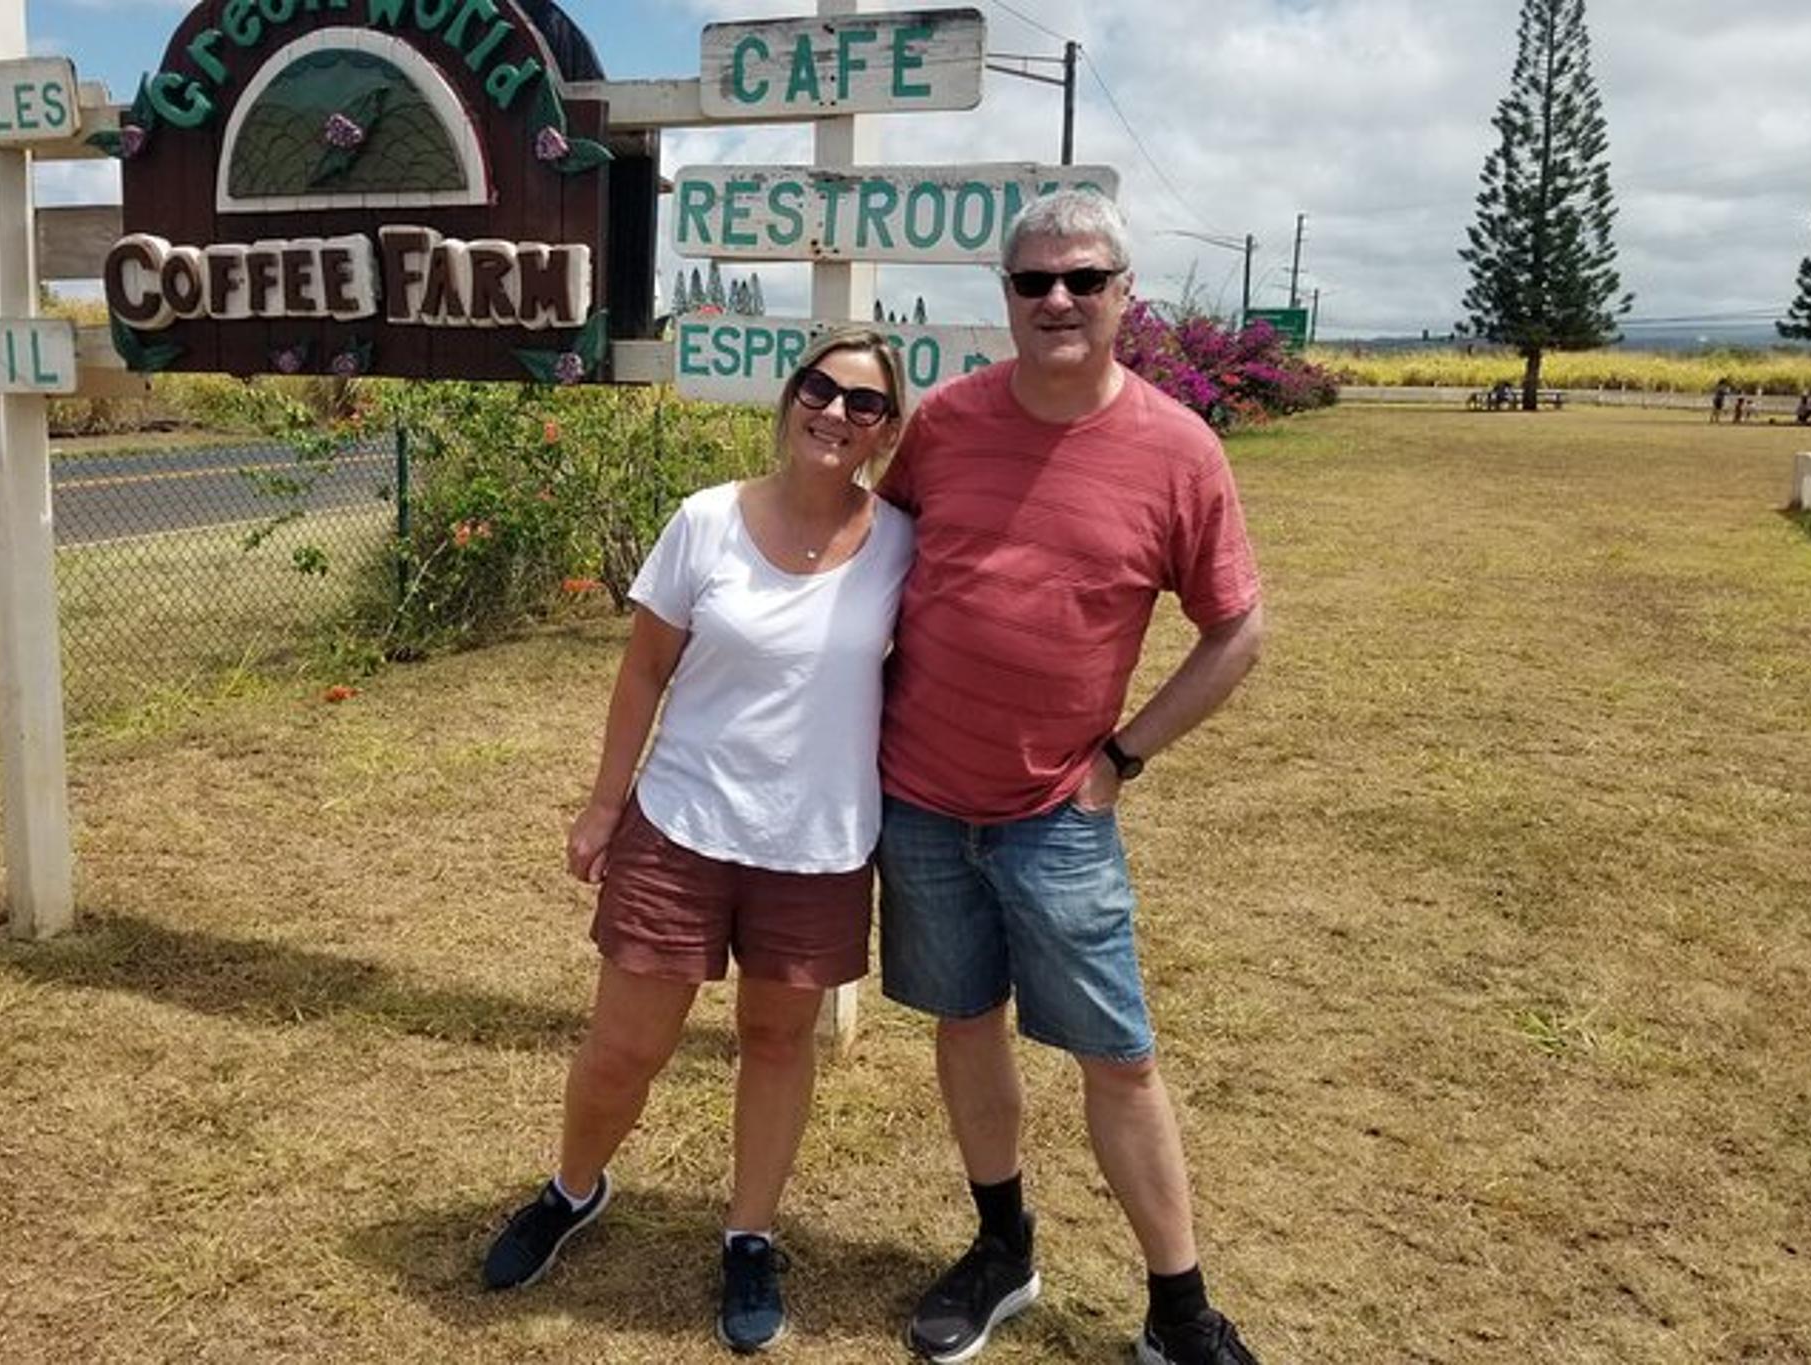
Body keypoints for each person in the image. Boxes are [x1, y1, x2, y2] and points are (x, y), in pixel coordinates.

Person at [874, 189, 1266, 1365]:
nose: (1055, 299)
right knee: (961, 1022)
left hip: (1057, 813)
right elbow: (873, 557)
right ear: (1003, 296)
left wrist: (1120, 758)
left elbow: (1235, 629)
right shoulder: (942, 423)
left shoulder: (1177, 452)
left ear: (1121, 297)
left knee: (1118, 1056)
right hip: (920, 801)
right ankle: (1003, 1251)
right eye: (1031, 280)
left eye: (1081, 280)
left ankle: (1177, 1312)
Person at [481, 330, 915, 1353]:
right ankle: (572, 1189)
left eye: (864, 405)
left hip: (816, 841)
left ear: (884, 432)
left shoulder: (901, 539)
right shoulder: (706, 521)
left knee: (775, 1041)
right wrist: (602, 805)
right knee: (625, 1049)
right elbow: (643, 672)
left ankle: (749, 1237)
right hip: (681, 823)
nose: (836, 414)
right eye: (821, 389)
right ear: (790, 396)